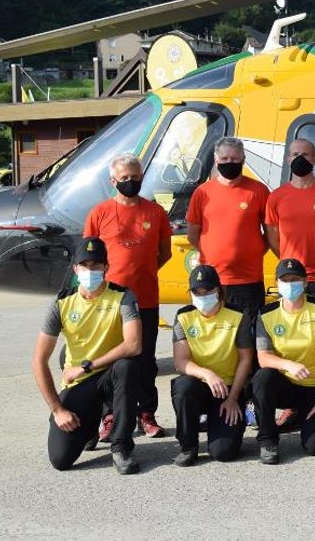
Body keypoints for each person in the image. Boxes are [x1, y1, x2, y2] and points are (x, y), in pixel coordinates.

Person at [31, 237, 142, 474]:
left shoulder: (122, 296)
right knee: (60, 460)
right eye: (84, 266)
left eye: (96, 266)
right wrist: (58, 410)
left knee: (128, 366)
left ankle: (121, 446)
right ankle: (91, 425)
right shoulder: (62, 303)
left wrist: (87, 366)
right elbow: (39, 360)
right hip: (79, 383)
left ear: (106, 268)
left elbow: (134, 345)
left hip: (108, 374)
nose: (90, 271)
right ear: (75, 269)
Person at [84, 153, 172, 440]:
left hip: (145, 297)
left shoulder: (155, 212)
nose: (131, 183)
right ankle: (109, 416)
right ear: (113, 181)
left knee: (146, 359)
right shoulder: (99, 213)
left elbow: (165, 252)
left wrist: (142, 271)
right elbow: (89, 257)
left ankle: (146, 415)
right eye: (125, 179)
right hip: (109, 301)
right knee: (110, 360)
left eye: (136, 178)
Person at [251, 259, 315, 463]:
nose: (290, 284)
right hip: (284, 384)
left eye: (295, 279)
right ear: (277, 283)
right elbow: (263, 357)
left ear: (306, 282)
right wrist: (288, 364)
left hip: (314, 387)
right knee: (262, 378)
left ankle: (305, 416)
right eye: (285, 280)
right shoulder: (266, 314)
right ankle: (267, 440)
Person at [171, 265, 254, 466]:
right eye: (196, 292)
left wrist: (234, 398)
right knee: (183, 387)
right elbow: (180, 361)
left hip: (228, 390)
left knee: (223, 452)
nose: (202, 296)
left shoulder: (238, 315)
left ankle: (227, 425)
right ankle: (188, 446)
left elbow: (246, 358)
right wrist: (206, 374)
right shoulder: (183, 316)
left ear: (218, 291)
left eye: (207, 291)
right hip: (200, 385)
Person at [186, 137, 271, 319]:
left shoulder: (259, 191)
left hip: (249, 279)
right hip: (213, 280)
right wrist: (213, 251)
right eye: (224, 159)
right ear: (216, 160)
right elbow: (193, 234)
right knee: (217, 335)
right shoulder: (202, 192)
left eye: (234, 159)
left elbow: (270, 234)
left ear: (243, 159)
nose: (229, 163)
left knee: (249, 335)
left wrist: (253, 251)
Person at [266, 138, 315, 318]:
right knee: (290, 333)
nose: (299, 158)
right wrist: (289, 261)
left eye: (305, 154)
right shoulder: (276, 197)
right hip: (290, 279)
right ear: (288, 159)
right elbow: (271, 235)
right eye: (295, 154)